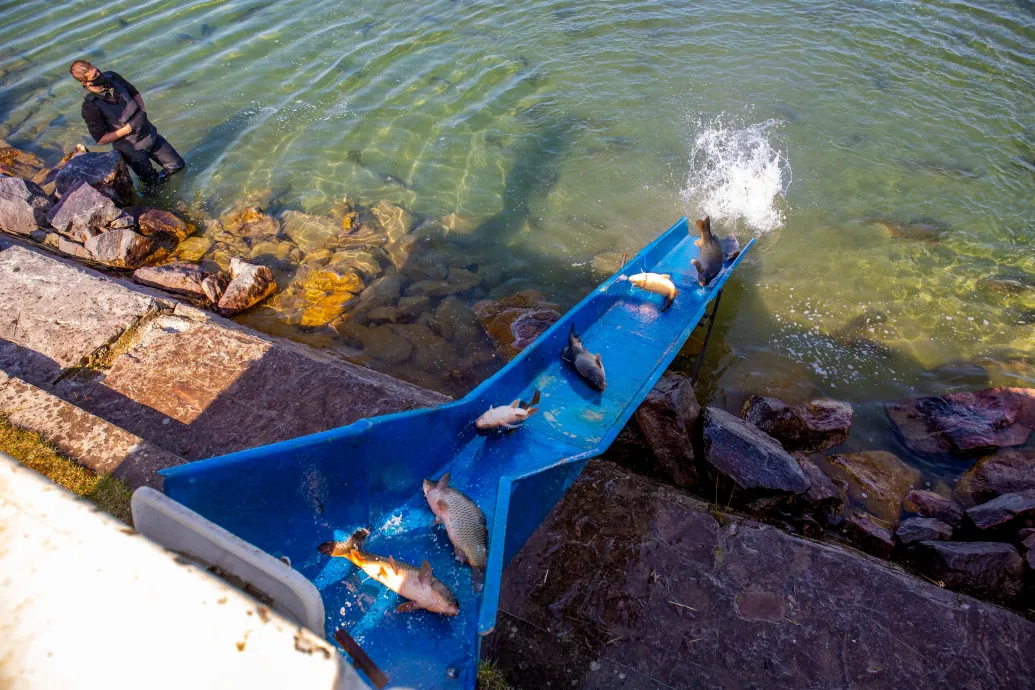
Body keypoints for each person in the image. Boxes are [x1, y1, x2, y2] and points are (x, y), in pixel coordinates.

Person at [69, 60, 185, 185]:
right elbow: (101, 139)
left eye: (97, 71)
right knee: (152, 183)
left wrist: (141, 111)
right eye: (95, 76)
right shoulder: (89, 106)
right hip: (132, 149)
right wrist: (126, 130)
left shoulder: (113, 77)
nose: (100, 75)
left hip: (149, 133)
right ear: (85, 83)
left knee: (177, 166)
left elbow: (134, 93)